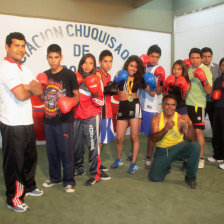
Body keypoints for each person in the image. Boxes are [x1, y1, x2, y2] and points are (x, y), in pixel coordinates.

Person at [0, 32, 43, 213]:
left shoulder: (25, 69)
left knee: (29, 158)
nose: (20, 49)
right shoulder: (4, 68)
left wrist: (31, 89)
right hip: (12, 122)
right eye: (16, 45)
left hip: (26, 121)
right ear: (7, 47)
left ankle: (29, 186)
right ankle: (14, 198)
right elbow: (21, 94)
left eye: (23, 46)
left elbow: (39, 90)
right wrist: (29, 89)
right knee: (15, 162)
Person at [41, 44, 79, 193]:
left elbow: (77, 96)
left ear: (61, 57)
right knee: (51, 151)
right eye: (50, 57)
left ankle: (69, 181)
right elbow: (41, 97)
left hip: (65, 121)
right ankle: (55, 178)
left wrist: (71, 102)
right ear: (47, 58)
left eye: (56, 57)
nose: (53, 61)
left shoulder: (69, 75)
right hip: (48, 119)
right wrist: (39, 91)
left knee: (66, 151)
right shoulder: (44, 75)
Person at [149, 94, 200, 189]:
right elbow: (153, 139)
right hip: (163, 150)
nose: (170, 107)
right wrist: (166, 129)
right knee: (154, 178)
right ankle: (166, 165)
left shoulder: (180, 119)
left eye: (173, 105)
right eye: (167, 104)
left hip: (179, 148)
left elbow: (192, 140)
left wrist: (190, 125)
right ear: (162, 105)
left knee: (195, 146)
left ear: (176, 106)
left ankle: (190, 177)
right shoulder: (156, 119)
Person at [73, 53, 104, 186]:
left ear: (94, 65)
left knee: (92, 146)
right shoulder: (75, 78)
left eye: (90, 63)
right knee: (76, 146)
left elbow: (101, 102)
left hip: (91, 117)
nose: (87, 65)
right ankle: (78, 168)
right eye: (85, 62)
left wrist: (94, 92)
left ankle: (95, 175)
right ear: (81, 64)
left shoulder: (97, 79)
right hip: (76, 117)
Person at [111, 55, 144, 173]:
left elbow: (152, 92)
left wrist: (155, 82)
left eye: (136, 67)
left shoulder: (140, 78)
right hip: (122, 107)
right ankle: (119, 159)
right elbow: (112, 89)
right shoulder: (120, 73)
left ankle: (133, 163)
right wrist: (115, 79)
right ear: (127, 65)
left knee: (134, 137)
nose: (133, 68)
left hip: (134, 106)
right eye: (131, 65)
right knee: (119, 138)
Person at [138, 45, 165, 168]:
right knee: (135, 131)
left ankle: (149, 157)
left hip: (151, 107)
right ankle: (133, 152)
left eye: (157, 57)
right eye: (152, 56)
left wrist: (147, 86)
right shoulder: (141, 66)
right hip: (139, 103)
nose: (154, 59)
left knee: (152, 134)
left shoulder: (159, 69)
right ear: (147, 55)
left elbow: (157, 92)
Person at [186, 48, 212, 169]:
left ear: (201, 58)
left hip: (198, 105)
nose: (195, 60)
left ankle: (201, 158)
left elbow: (209, 91)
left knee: (198, 132)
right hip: (187, 104)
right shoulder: (188, 69)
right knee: (188, 131)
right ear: (189, 58)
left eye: (197, 58)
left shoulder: (205, 70)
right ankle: (188, 156)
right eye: (192, 58)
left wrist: (203, 79)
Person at [163, 60, 192, 169]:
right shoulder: (169, 79)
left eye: (179, 69)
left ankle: (186, 160)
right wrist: (166, 86)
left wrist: (183, 88)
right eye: (174, 68)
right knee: (169, 132)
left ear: (183, 70)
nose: (176, 71)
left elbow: (184, 97)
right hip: (170, 108)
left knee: (184, 133)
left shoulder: (187, 81)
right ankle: (168, 161)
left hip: (181, 107)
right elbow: (164, 94)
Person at [96, 50, 115, 180]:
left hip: (107, 111)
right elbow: (96, 93)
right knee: (99, 141)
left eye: (110, 61)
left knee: (102, 140)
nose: (108, 64)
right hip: (101, 112)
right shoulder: (98, 75)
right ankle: (95, 168)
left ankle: (97, 163)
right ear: (100, 62)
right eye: (105, 61)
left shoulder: (107, 75)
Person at [201, 47, 221, 163]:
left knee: (216, 129)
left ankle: (217, 154)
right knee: (197, 128)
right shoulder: (198, 69)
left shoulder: (218, 68)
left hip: (215, 103)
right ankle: (195, 153)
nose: (206, 59)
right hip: (201, 102)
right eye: (204, 56)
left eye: (209, 56)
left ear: (212, 57)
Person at [210, 57, 224, 168]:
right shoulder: (218, 80)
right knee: (217, 132)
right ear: (220, 67)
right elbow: (213, 94)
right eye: (223, 65)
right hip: (217, 108)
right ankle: (218, 155)